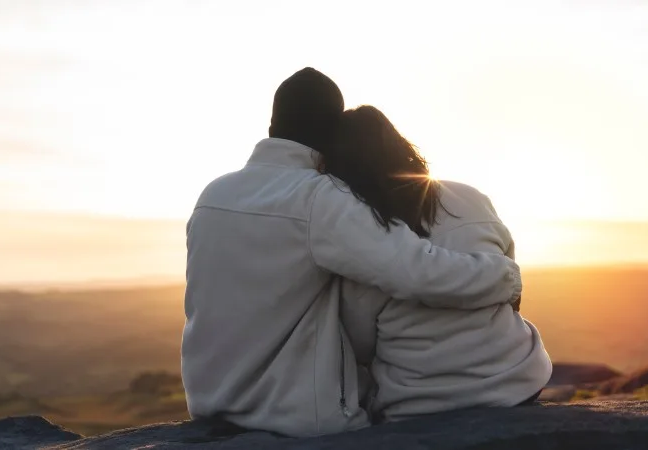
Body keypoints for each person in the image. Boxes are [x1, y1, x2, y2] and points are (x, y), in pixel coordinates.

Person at [181, 68, 523, 437]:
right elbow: (417, 271)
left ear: (272, 125)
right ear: (331, 134)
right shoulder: (321, 198)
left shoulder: (212, 195)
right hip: (292, 415)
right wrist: (504, 276)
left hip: (210, 401)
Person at [326, 106, 552, 422]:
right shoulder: (471, 198)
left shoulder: (365, 237)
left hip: (419, 401)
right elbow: (510, 285)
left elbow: (360, 344)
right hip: (517, 380)